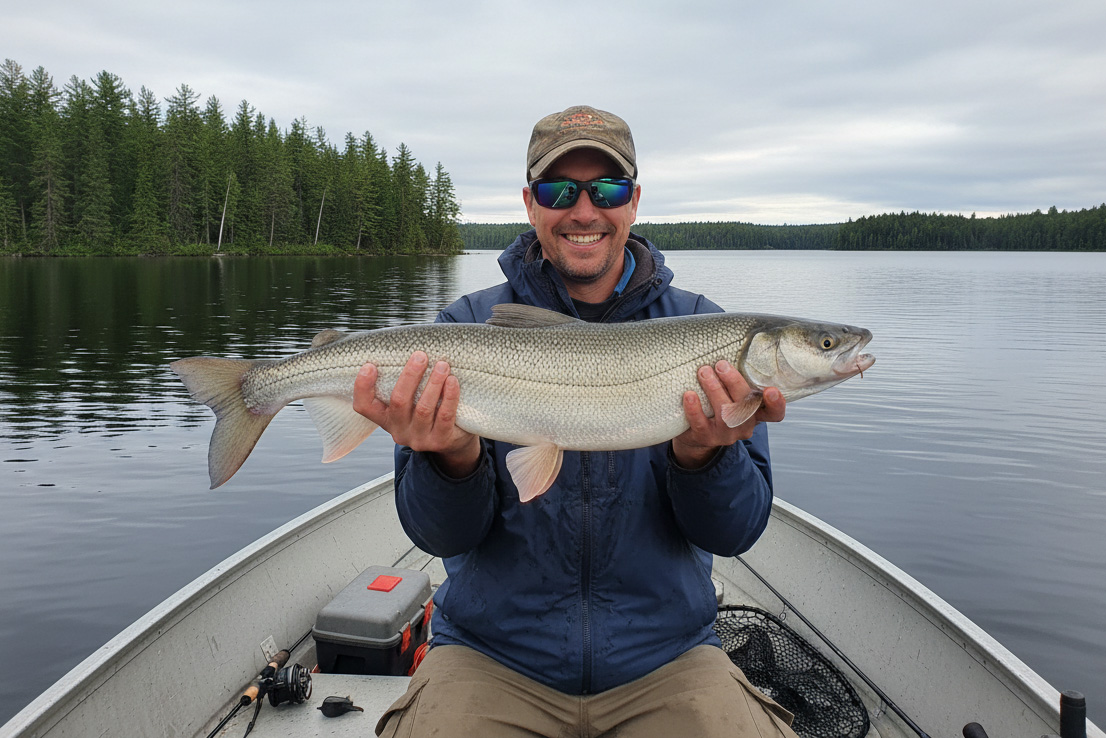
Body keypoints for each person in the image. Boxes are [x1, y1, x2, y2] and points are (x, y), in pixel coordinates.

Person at [354, 105, 795, 738]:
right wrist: (451, 459)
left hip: (668, 658)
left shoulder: (708, 335)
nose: (584, 211)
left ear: (633, 202)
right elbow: (437, 536)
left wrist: (705, 457)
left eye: (607, 189)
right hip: (489, 656)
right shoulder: (463, 329)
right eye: (558, 191)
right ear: (529, 205)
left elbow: (735, 534)